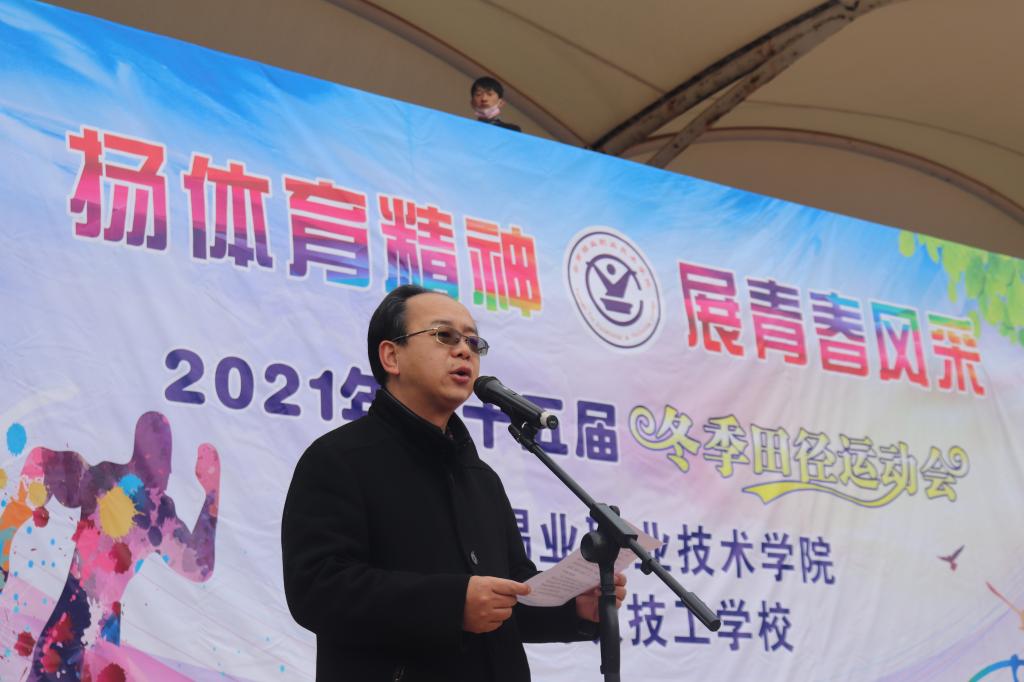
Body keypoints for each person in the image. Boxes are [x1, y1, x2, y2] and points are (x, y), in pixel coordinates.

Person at [281, 285, 626, 681]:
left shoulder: (481, 479)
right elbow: (317, 590)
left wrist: (574, 608)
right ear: (391, 356)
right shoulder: (338, 458)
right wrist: (453, 604)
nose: (464, 351)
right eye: (444, 336)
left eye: (473, 342)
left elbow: (509, 597)